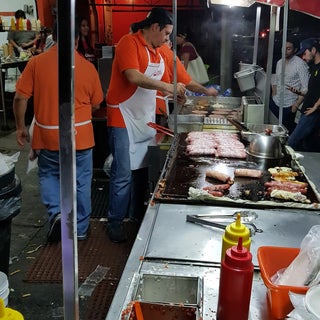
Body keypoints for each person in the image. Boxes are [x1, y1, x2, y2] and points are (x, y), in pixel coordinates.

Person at [12, 21, 104, 242]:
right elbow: (97, 104)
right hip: (80, 137)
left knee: (50, 175)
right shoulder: (87, 67)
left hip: (48, 136)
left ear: (53, 37)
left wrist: (20, 127)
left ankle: (56, 213)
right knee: (81, 181)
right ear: (75, 40)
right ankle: (80, 228)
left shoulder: (36, 63)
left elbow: (20, 98)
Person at [106, 7, 186, 243]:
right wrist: (166, 88)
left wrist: (176, 92)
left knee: (141, 169)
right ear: (154, 28)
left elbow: (164, 80)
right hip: (123, 117)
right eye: (166, 33)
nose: (167, 39)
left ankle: (136, 216)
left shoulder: (158, 49)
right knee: (122, 173)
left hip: (145, 117)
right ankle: (115, 222)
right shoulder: (128, 43)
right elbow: (133, 76)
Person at [269, 35, 310, 134]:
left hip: (289, 105)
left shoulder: (300, 64)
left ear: (295, 50)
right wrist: (273, 94)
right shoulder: (279, 62)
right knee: (273, 131)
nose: (285, 51)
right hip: (276, 102)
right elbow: (275, 79)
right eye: (284, 48)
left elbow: (306, 87)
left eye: (288, 48)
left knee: (286, 134)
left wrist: (296, 105)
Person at [288, 38, 320, 152]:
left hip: (312, 113)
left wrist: (316, 106)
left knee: (291, 142)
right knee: (307, 145)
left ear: (314, 50)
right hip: (307, 110)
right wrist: (299, 93)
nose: (304, 57)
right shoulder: (314, 67)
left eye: (305, 53)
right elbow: (314, 91)